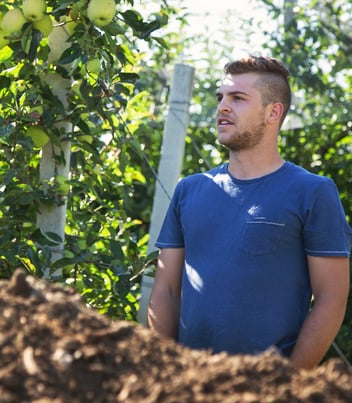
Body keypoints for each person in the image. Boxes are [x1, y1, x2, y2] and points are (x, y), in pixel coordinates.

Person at [147, 55, 352, 370]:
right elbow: (167, 289)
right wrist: (166, 371)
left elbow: (331, 298)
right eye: (221, 98)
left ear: (273, 112)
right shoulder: (189, 190)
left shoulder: (313, 192)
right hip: (190, 387)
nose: (222, 107)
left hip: (267, 391)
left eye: (238, 98)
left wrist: (290, 383)